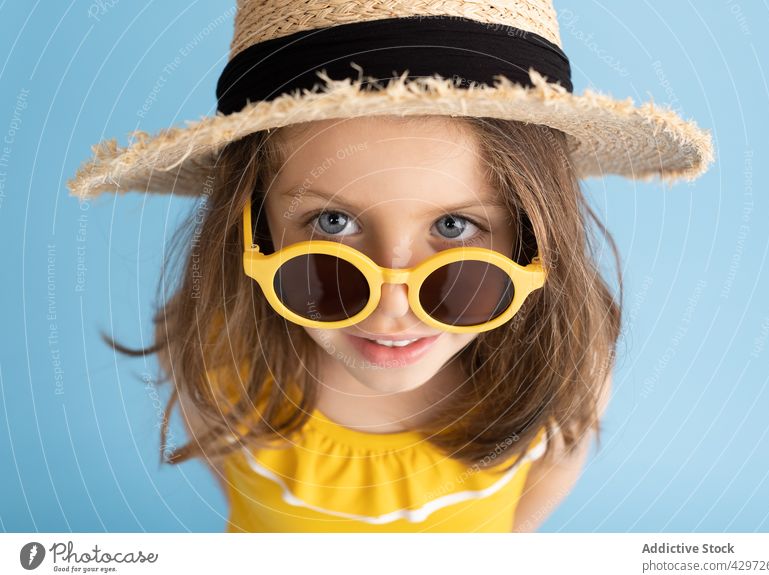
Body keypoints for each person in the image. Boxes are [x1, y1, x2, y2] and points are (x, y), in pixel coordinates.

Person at [66, 0, 714, 532]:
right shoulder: (216, 348)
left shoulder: (567, 367)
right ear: (252, 224)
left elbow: (537, 500)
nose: (391, 306)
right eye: (332, 224)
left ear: (536, 236)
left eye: (455, 228)